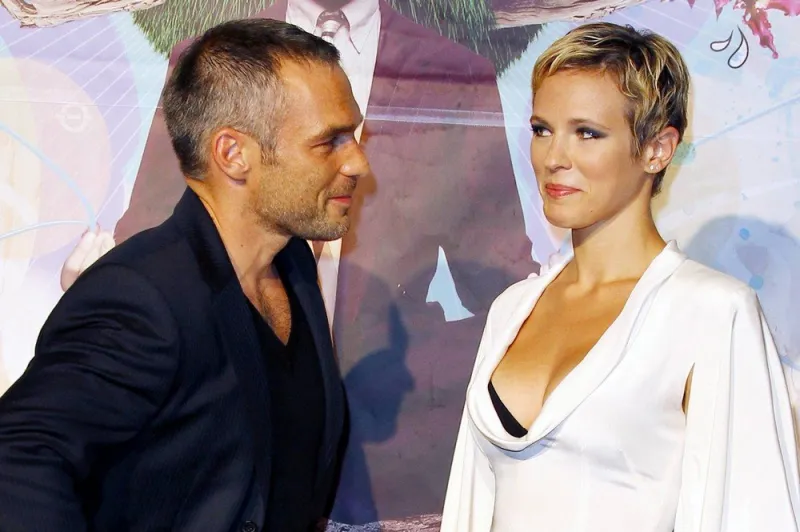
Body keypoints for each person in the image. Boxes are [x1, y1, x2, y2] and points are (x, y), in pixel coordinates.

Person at [61, 0, 536, 521]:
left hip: (392, 463)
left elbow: (496, 270)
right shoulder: (205, 66)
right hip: (223, 453)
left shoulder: (455, 72)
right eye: (329, 141)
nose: (357, 162)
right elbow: (153, 231)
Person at [0, 18, 368, 531]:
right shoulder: (140, 296)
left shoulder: (295, 266)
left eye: (353, 135)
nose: (357, 162)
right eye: (329, 142)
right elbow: (18, 460)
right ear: (233, 154)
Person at [440, 22, 800, 531]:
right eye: (543, 129)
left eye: (587, 133)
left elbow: (752, 514)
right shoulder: (511, 308)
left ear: (657, 149)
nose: (553, 158)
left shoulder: (713, 311)